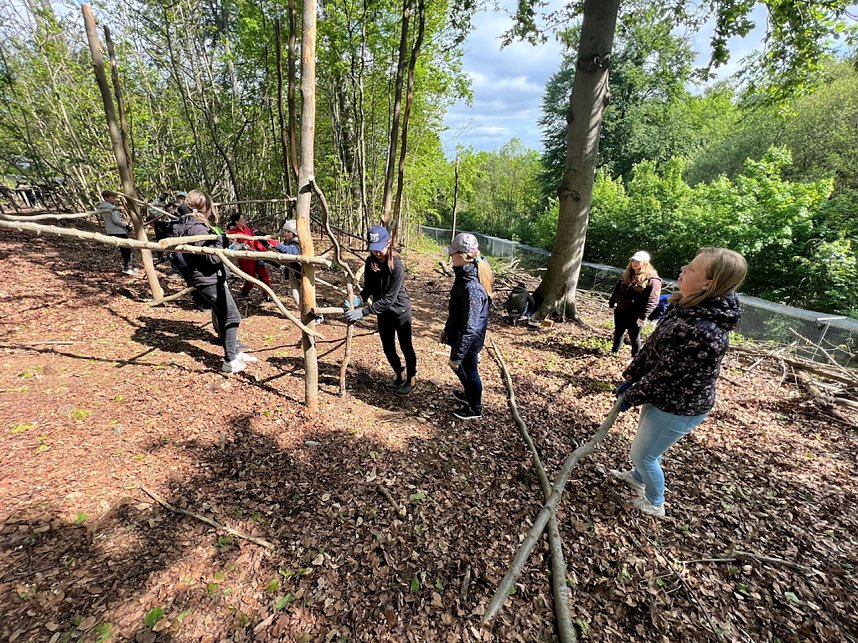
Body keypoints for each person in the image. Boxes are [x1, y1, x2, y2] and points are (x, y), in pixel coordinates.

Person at [609, 247, 748, 518]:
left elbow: (668, 377)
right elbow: (654, 349)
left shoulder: (705, 331)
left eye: (692, 268)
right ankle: (638, 479)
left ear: (710, 283)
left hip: (680, 406)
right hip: (663, 397)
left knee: (644, 455)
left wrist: (634, 394)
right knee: (645, 446)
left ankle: (654, 502)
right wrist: (632, 377)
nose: (683, 269)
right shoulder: (688, 305)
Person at [172, 190, 257, 374]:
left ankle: (233, 352)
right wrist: (221, 242)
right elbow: (210, 258)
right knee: (232, 317)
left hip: (211, 276)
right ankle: (230, 360)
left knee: (225, 315)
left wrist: (223, 242)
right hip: (208, 278)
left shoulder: (194, 224)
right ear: (205, 207)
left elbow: (211, 251)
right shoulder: (196, 228)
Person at [343, 225, 417, 395]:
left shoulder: (397, 266)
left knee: (406, 346)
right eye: (373, 249)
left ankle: (411, 379)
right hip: (383, 313)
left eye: (380, 248)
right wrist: (357, 300)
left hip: (400, 311)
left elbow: (389, 299)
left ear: (388, 243)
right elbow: (368, 289)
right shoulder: (370, 262)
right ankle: (399, 374)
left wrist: (363, 312)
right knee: (388, 347)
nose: (377, 253)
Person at [441, 232, 494, 420]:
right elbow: (457, 311)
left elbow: (470, 327)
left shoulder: (472, 287)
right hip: (462, 335)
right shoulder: (463, 274)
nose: (450, 256)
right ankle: (469, 394)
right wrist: (447, 330)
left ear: (462, 256)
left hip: (469, 340)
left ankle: (475, 407)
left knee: (469, 371)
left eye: (453, 253)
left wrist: (457, 354)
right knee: (463, 368)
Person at [608, 251, 662, 356]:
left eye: (638, 261)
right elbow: (617, 290)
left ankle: (635, 357)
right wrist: (611, 303)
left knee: (634, 336)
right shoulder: (627, 274)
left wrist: (643, 316)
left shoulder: (652, 280)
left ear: (645, 263)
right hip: (621, 310)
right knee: (618, 332)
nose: (634, 263)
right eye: (633, 260)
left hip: (636, 314)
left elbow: (652, 300)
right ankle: (614, 352)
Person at [226, 213, 272, 298]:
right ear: (237, 222)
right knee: (251, 279)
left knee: (265, 277)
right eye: (242, 219)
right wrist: (254, 251)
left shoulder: (248, 229)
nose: (244, 221)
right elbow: (240, 246)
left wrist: (263, 251)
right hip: (245, 260)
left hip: (257, 256)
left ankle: (267, 295)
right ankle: (244, 292)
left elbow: (256, 242)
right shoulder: (232, 233)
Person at [97, 189, 137, 275]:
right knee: (127, 249)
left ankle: (128, 266)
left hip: (110, 230)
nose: (114, 199)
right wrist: (126, 226)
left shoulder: (101, 207)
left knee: (124, 249)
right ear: (106, 198)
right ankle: (128, 267)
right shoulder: (112, 208)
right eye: (112, 197)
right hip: (118, 231)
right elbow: (116, 221)